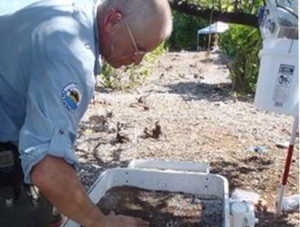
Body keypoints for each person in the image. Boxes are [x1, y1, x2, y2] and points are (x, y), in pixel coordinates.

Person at [0, 0, 173, 226]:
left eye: (145, 53)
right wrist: (102, 223)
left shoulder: (71, 8)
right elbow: (47, 169)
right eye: (138, 48)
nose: (137, 61)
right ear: (113, 21)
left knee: (52, 212)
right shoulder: (70, 55)